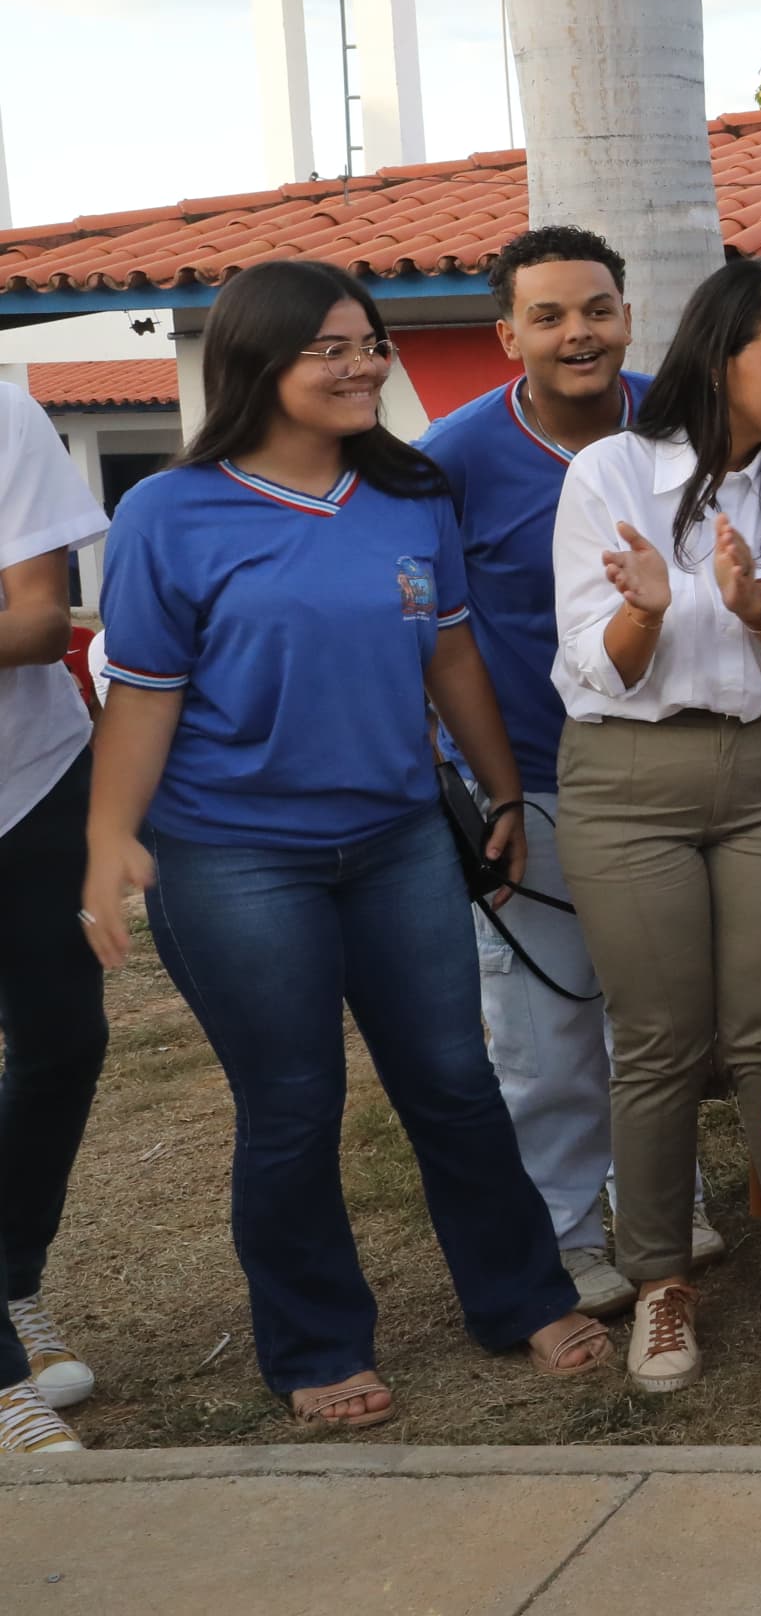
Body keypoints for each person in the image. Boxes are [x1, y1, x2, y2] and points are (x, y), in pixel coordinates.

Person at [82, 259, 612, 1430]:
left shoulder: (411, 490)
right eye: (330, 346)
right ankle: (317, 1338)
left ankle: (521, 1292)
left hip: (397, 837)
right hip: (233, 854)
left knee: (455, 1079)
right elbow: (144, 695)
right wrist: (110, 837)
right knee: (293, 1102)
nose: (362, 364)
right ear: (256, 362)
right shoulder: (169, 512)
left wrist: (507, 791)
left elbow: (455, 653)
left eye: (370, 343)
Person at [553, 255, 761, 1392]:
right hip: (629, 773)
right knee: (658, 1040)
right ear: (722, 355)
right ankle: (661, 1279)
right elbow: (600, 660)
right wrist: (650, 612)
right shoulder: (612, 471)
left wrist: (758, 604)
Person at [416, 227, 720, 1320]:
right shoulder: (452, 455)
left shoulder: (691, 423)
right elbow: (432, 627)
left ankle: (662, 1201)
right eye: (547, 315)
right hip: (535, 776)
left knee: (660, 1014)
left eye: (595, 308)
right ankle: (563, 1230)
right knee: (543, 1029)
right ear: (508, 335)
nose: (576, 332)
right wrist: (477, 783)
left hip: (675, 771)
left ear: (628, 315)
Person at [0, 376, 119, 1452]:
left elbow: (39, 620)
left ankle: (12, 1276)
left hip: (27, 782)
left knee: (64, 1043)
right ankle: (1, 1383)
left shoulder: (1, 409)